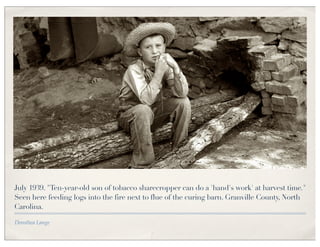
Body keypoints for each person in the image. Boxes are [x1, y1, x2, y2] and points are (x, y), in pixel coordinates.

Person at [118, 22, 191, 168]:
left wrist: (176, 69)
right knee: (143, 109)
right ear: (140, 52)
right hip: (130, 115)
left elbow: (181, 93)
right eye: (148, 47)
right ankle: (143, 164)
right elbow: (146, 100)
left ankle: (180, 151)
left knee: (183, 102)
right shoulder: (134, 70)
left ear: (164, 48)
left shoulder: (164, 65)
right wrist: (159, 72)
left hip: (152, 114)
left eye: (158, 46)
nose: (154, 51)